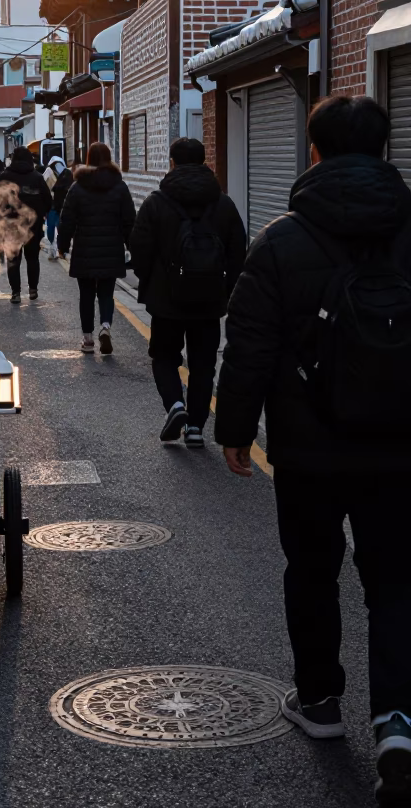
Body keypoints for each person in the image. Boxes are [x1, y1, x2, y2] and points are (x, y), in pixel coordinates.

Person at [216, 96, 411, 799]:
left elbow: (249, 348)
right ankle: (398, 718)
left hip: (308, 444)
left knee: (313, 568)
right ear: (385, 149)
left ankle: (321, 700)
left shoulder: (282, 240)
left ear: (315, 151)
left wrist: (234, 430)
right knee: (397, 579)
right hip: (400, 445)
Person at [130, 136, 246, 448]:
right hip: (209, 299)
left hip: (166, 299)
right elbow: (238, 250)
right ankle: (196, 427)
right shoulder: (223, 203)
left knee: (164, 356)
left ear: (172, 162)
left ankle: (175, 406)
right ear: (204, 160)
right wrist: (228, 288)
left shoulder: (157, 202)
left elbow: (139, 247)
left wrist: (150, 279)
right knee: (203, 364)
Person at [57, 142, 135, 353]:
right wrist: (133, 248)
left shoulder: (78, 186)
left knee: (87, 295)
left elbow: (67, 221)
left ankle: (88, 339)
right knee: (107, 294)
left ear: (89, 159)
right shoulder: (120, 186)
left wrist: (62, 246)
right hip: (112, 249)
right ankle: (106, 327)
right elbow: (129, 221)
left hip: (85, 250)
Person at [0, 145, 52, 303]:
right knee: (33, 258)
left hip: (10, 225)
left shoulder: (4, 177)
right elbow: (48, 200)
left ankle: (15, 293)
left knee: (13, 260)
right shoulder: (37, 177)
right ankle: (33, 289)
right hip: (32, 225)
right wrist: (40, 214)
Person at [42, 156, 72, 259]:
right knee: (51, 228)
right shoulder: (48, 172)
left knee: (61, 228)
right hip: (53, 205)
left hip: (62, 205)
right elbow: (44, 189)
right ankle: (54, 248)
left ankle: (61, 249)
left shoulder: (67, 174)